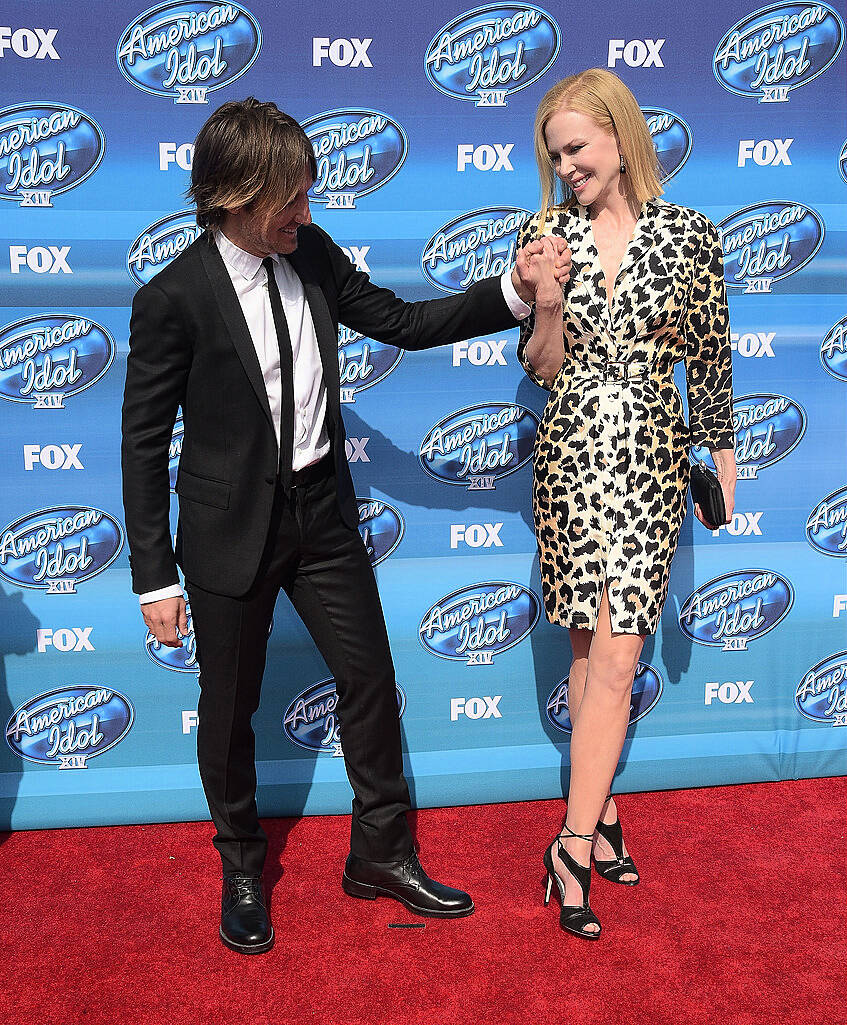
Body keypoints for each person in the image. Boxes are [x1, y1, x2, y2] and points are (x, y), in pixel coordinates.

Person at [121, 97, 568, 955]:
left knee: (369, 681)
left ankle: (381, 855)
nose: (306, 212)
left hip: (322, 512)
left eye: (307, 193)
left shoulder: (313, 254)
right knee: (229, 708)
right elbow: (142, 443)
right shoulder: (173, 298)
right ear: (236, 196)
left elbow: (401, 322)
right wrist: (153, 575)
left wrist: (513, 288)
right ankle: (243, 867)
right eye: (288, 199)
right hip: (226, 531)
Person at [516, 69, 736, 939]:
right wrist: (543, 297)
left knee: (617, 653)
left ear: (617, 136)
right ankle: (600, 813)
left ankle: (569, 842)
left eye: (576, 147)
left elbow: (711, 353)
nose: (565, 165)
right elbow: (538, 364)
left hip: (648, 449)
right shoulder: (543, 234)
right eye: (554, 153)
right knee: (584, 643)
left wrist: (722, 452)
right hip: (569, 448)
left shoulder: (688, 236)